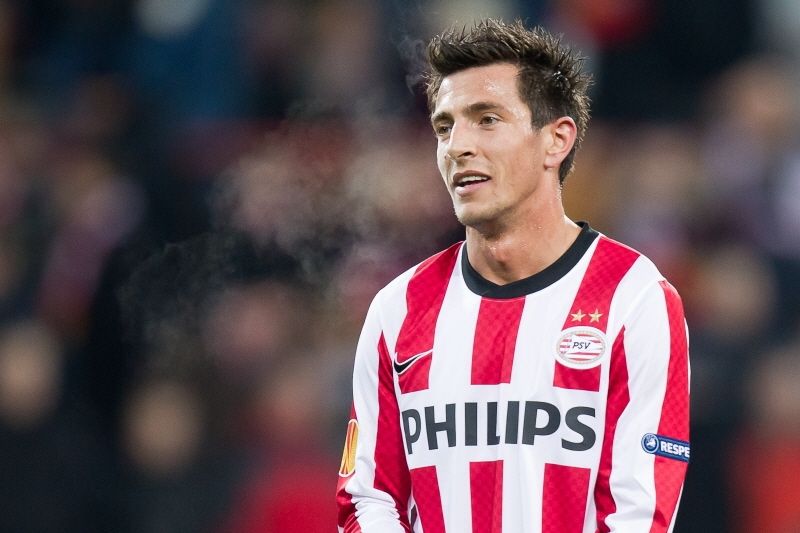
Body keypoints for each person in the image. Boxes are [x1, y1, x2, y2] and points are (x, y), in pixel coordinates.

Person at [336, 18, 689, 533]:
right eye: (444, 127)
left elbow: (641, 512)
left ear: (556, 140)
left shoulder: (633, 297)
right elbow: (366, 498)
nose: (457, 145)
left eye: (486, 119)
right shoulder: (398, 309)